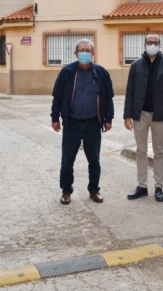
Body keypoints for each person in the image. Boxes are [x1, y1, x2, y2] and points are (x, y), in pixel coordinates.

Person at [51, 39, 114, 205]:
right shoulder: (67, 72)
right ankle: (66, 191)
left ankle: (94, 190)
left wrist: (108, 118)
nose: (85, 53)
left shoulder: (101, 72)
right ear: (76, 53)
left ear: (93, 53)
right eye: (82, 50)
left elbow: (108, 98)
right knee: (67, 160)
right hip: (72, 124)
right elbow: (57, 96)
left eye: (88, 50)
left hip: (93, 123)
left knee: (94, 160)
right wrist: (55, 118)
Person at [124, 34, 163, 202]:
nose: (152, 45)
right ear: (144, 44)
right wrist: (127, 116)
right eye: (149, 42)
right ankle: (141, 186)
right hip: (140, 115)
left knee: (158, 152)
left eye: (155, 42)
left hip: (159, 115)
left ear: (160, 45)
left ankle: (159, 187)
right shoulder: (135, 65)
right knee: (141, 151)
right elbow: (130, 92)